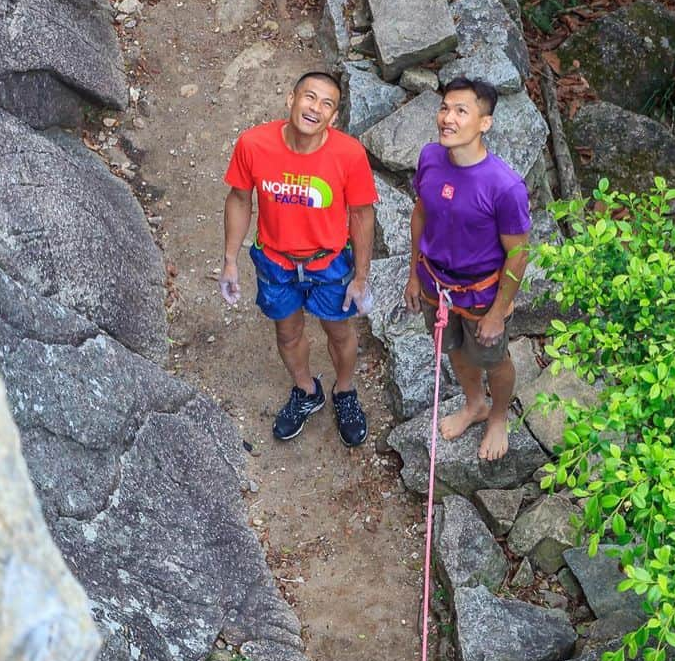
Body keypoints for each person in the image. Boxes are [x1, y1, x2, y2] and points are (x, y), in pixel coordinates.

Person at [221, 70, 376, 447]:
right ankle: (306, 391)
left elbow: (361, 214)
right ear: (291, 99)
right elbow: (240, 199)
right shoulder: (254, 144)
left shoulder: (348, 154)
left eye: (327, 104)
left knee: (339, 332)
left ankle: (344, 391)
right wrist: (229, 259)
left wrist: (360, 275)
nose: (315, 108)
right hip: (276, 261)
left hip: (329, 263)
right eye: (310, 97)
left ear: (334, 117)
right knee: (287, 333)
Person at [403, 76, 531, 460]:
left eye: (461, 111)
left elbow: (518, 254)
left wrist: (496, 313)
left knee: (494, 358)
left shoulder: (504, 187)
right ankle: (474, 403)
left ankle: (498, 416)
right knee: (452, 347)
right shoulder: (430, 157)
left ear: (484, 123)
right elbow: (421, 214)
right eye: (444, 108)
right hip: (435, 282)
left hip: (481, 291)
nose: (448, 118)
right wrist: (413, 274)